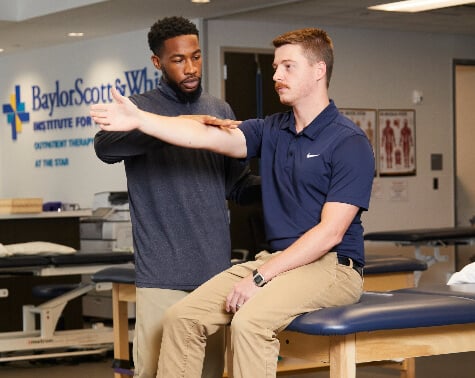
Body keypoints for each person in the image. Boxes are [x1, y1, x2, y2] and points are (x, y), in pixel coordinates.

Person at [91, 27, 375, 378]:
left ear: (318, 70)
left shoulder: (348, 141)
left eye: (287, 67)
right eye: (275, 67)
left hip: (331, 266)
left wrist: (259, 278)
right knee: (181, 318)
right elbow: (205, 135)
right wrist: (140, 120)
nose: (276, 76)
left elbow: (331, 233)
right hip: (279, 262)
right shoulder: (272, 129)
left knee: (249, 323)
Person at [93, 16, 260, 378]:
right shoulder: (138, 110)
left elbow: (237, 185)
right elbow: (104, 148)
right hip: (162, 275)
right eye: (178, 60)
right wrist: (166, 125)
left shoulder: (220, 111)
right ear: (158, 62)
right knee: (155, 372)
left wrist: (288, 181)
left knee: (209, 372)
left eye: (196, 57)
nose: (190, 68)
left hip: (215, 275)